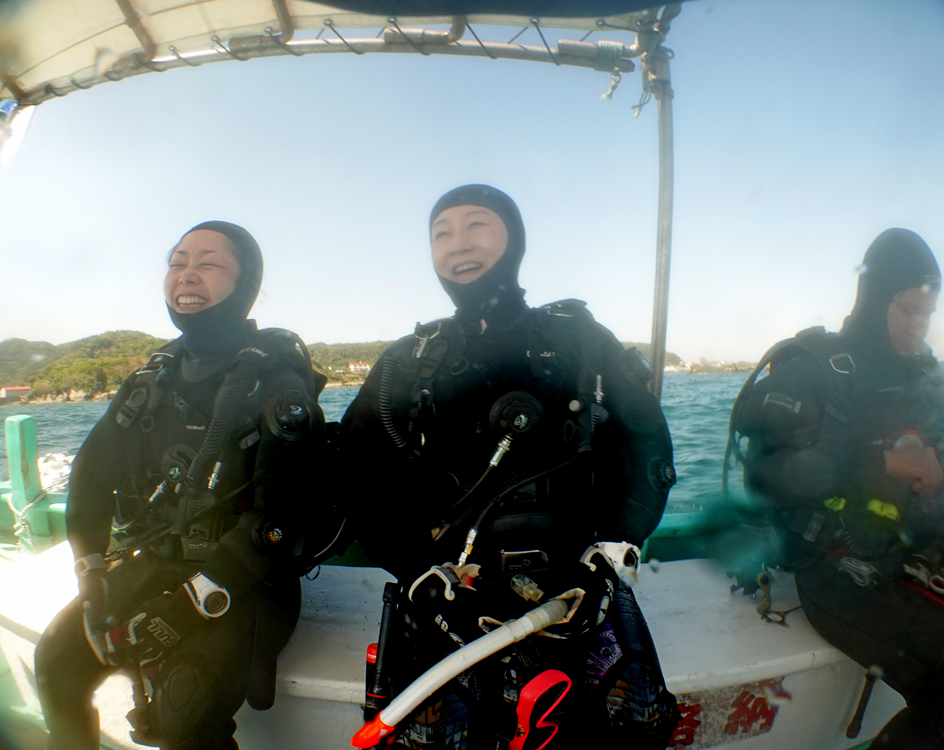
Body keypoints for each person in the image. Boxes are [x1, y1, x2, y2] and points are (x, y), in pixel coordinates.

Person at [339, 184, 679, 749]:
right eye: (442, 233)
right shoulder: (409, 360)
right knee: (437, 739)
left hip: (582, 577)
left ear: (514, 240)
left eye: (477, 224)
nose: (458, 243)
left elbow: (648, 443)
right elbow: (356, 473)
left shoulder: (579, 340)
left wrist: (620, 540)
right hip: (451, 587)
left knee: (636, 718)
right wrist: (414, 568)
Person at [35, 221, 339, 750]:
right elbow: (89, 479)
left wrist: (184, 609)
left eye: (209, 262)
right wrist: (93, 577)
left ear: (246, 283)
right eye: (177, 262)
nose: (187, 274)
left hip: (246, 578)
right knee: (58, 659)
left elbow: (275, 522)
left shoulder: (275, 380)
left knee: (184, 711)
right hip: (157, 561)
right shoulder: (152, 380)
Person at [727, 228, 944, 750]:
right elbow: (765, 478)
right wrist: (882, 464)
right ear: (875, 299)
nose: (918, 326)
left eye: (927, 313)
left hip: (909, 551)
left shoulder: (922, 373)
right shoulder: (820, 368)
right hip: (833, 567)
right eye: (907, 310)